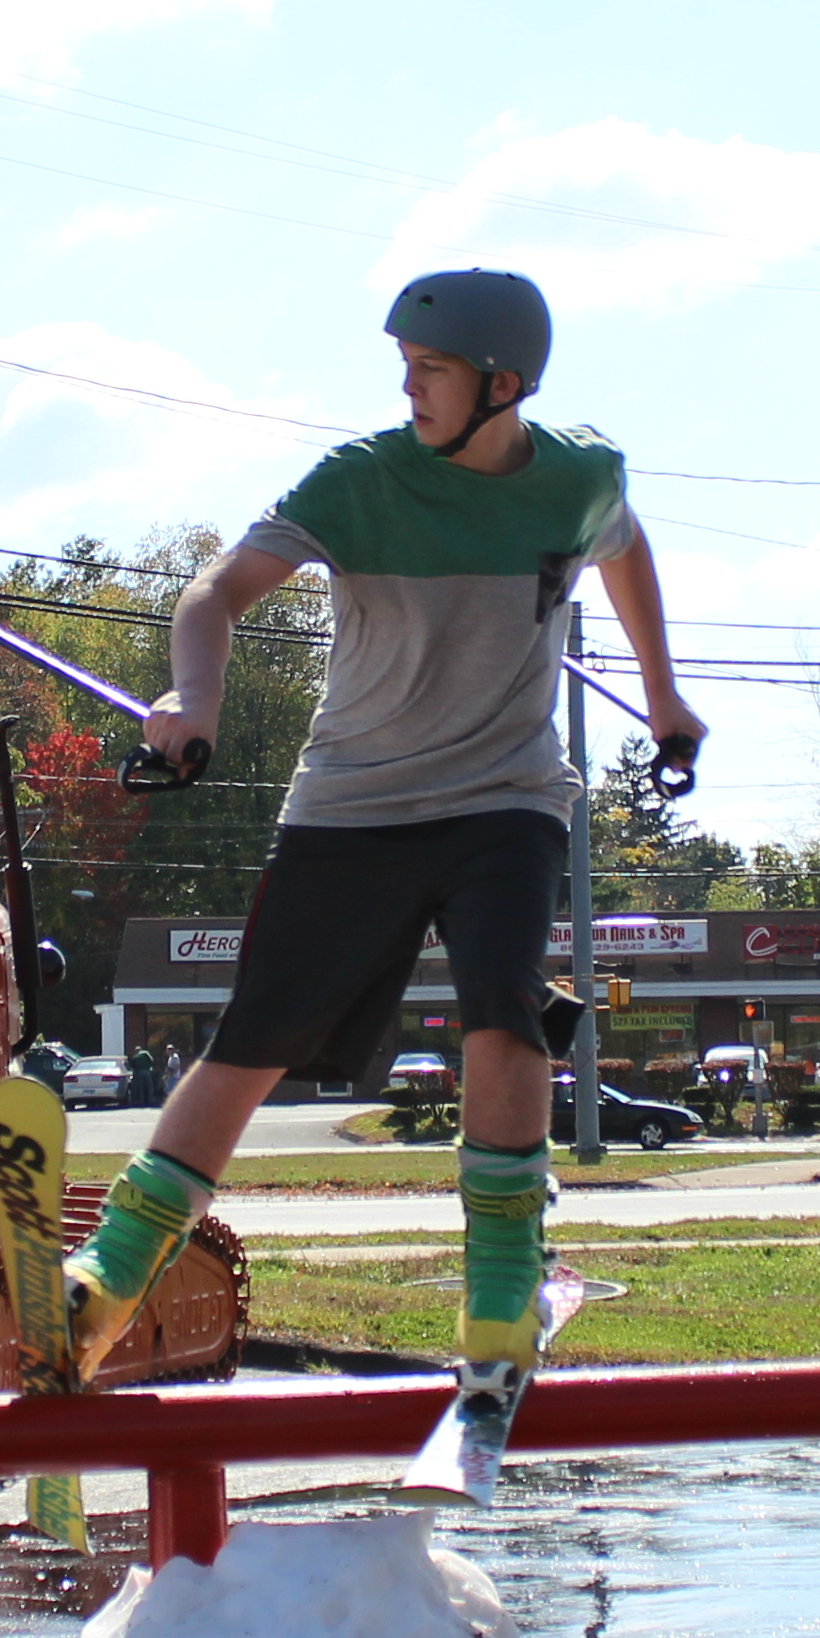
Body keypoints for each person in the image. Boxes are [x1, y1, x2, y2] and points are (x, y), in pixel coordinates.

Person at [60, 268, 705, 1384]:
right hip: (352, 804)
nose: (409, 388)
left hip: (505, 797)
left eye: (432, 372)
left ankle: (501, 1288)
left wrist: (664, 695)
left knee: (506, 1001)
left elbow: (627, 546)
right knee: (252, 1038)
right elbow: (217, 591)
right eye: (404, 368)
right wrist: (194, 699)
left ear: (502, 385)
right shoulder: (361, 480)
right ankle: (108, 1280)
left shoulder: (579, 482)